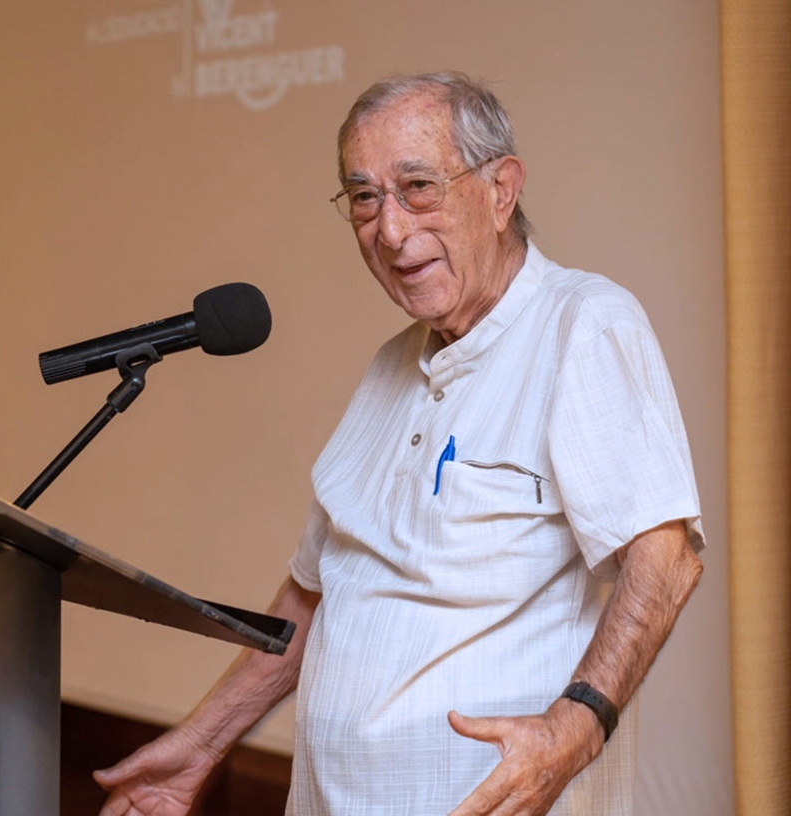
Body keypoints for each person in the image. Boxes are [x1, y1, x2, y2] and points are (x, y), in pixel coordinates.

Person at [94, 72, 704, 816]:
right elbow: (313, 597)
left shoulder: (585, 325)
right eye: (363, 198)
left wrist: (572, 732)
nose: (389, 230)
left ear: (501, 189)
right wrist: (200, 745)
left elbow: (666, 560)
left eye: (418, 187)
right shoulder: (391, 364)